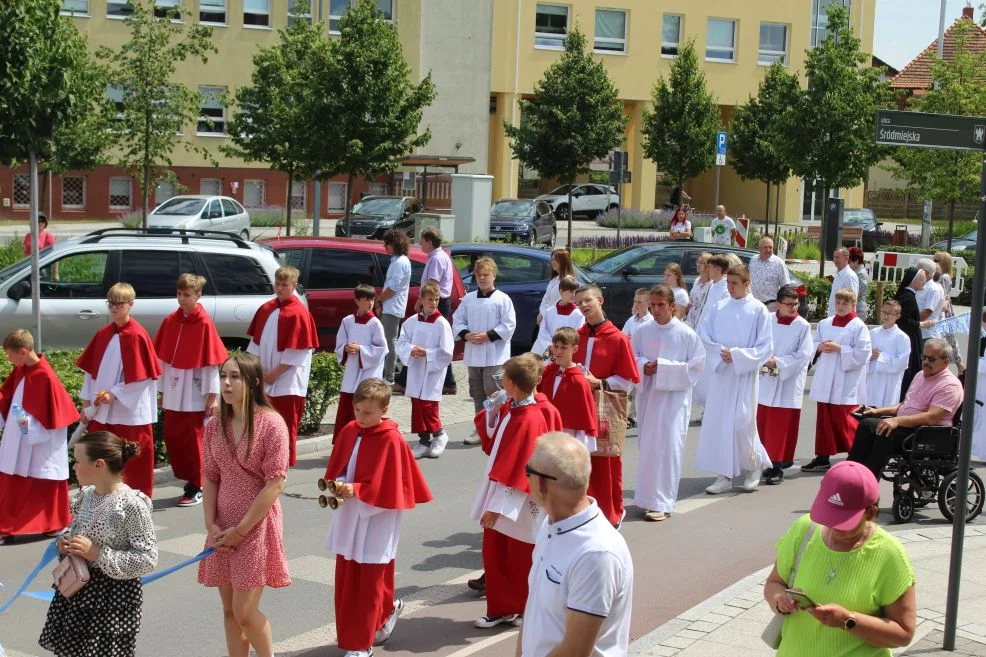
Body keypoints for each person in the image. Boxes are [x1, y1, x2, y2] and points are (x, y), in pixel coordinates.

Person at [323, 378, 433, 657]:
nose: (361, 418)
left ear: (385, 408)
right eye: (358, 410)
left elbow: (388, 485)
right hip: (350, 512)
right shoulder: (351, 429)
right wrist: (337, 482)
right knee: (349, 575)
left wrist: (356, 488)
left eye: (368, 413)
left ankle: (362, 643)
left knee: (369, 578)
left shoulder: (391, 439)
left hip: (378, 515)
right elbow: (340, 464)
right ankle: (384, 613)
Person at [764, 461, 916, 657]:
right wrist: (779, 599)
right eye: (829, 515)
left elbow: (903, 633)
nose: (834, 526)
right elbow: (774, 582)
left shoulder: (889, 554)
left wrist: (848, 620)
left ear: (871, 513)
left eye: (844, 521)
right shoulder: (805, 529)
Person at [198, 352, 290, 657]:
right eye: (223, 375)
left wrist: (241, 529)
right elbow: (210, 477)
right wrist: (211, 525)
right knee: (228, 611)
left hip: (255, 525)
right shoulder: (214, 425)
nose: (226, 383)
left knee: (245, 612)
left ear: (254, 381)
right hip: (223, 524)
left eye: (235, 376)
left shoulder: (272, 424)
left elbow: (274, 483)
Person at [39, 431, 158, 657]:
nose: (73, 467)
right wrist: (65, 544)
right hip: (78, 590)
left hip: (112, 597)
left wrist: (97, 554)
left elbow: (147, 558)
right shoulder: (86, 495)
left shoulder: (132, 504)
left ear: (99, 465)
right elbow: (76, 531)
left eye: (78, 461)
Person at [518, 432, 633, 657]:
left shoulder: (596, 554)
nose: (526, 480)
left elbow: (575, 651)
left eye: (527, 472)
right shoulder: (550, 526)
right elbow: (534, 610)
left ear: (541, 484)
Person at [470, 355, 548, 628]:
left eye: (503, 379)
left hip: (515, 500)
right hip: (505, 494)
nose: (500, 383)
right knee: (500, 554)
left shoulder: (529, 418)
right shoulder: (515, 409)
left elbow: (519, 467)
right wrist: (493, 409)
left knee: (513, 556)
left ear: (512, 384)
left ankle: (513, 607)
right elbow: (493, 437)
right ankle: (508, 607)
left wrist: (497, 507)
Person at [76, 282, 161, 497]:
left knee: (131, 460)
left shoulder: (137, 335)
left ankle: (135, 503)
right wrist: (86, 402)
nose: (114, 308)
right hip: (101, 412)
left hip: (128, 414)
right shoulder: (103, 334)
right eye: (111, 303)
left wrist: (114, 394)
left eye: (119, 303)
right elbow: (90, 373)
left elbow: (142, 378)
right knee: (98, 456)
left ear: (131, 305)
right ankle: (94, 501)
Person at [696, 265, 773, 493]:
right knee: (721, 424)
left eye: (734, 284)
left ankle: (754, 465)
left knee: (742, 423)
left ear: (747, 284)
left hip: (744, 375)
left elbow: (766, 345)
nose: (729, 288)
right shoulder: (720, 306)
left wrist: (738, 356)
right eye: (728, 283)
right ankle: (724, 475)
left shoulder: (758, 310)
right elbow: (704, 334)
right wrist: (721, 352)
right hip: (722, 374)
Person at [631, 286, 705, 520]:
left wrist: (661, 367)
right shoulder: (643, 330)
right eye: (652, 305)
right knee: (648, 448)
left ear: (673, 306)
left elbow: (696, 367)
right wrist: (644, 365)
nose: (656, 309)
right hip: (649, 398)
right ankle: (645, 499)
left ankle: (663, 502)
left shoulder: (686, 333)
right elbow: (631, 358)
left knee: (668, 450)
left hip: (673, 402)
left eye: (661, 305)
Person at [154, 274, 227, 508]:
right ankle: (191, 480)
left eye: (187, 295)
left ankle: (198, 485)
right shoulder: (170, 321)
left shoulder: (204, 323)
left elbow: (210, 363)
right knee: (175, 439)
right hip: (174, 392)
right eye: (179, 294)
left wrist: (212, 397)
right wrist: (162, 391)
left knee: (196, 442)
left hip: (196, 393)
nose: (182, 299)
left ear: (198, 295)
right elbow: (163, 360)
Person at [0, 329, 79, 541]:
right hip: (19, 436)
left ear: (23, 351)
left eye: (10, 355)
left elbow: (54, 416)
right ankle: (8, 525)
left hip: (41, 440)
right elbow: (7, 395)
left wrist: (30, 425)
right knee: (14, 480)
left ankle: (53, 522)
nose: (9, 359)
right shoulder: (22, 369)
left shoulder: (44, 375)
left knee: (42, 480)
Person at [574, 284, 640, 527]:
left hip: (605, 406)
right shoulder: (576, 337)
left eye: (588, 300)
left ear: (600, 300)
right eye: (579, 303)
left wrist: (599, 382)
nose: (583, 306)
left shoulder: (618, 338)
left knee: (606, 462)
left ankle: (611, 513)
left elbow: (627, 381)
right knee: (580, 461)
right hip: (579, 409)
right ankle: (582, 512)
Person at [849, 339, 963, 479]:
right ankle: (850, 474)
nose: (926, 362)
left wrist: (896, 421)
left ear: (945, 362)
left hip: (927, 434)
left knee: (883, 433)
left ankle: (866, 486)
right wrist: (876, 411)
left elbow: (931, 417)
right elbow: (905, 405)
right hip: (909, 428)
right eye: (924, 357)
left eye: (932, 359)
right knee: (867, 425)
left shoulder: (950, 385)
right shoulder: (920, 375)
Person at [246, 264, 319, 467]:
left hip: (288, 382)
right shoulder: (266, 309)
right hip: (265, 378)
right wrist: (258, 371)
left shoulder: (299, 313)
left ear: (294, 286)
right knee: (264, 423)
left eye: (284, 284)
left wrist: (274, 374)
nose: (279, 288)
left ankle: (282, 464)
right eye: (277, 283)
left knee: (286, 424)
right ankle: (264, 461)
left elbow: (298, 353)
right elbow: (255, 345)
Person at [803, 288, 871, 473]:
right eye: (838, 303)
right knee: (824, 420)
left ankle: (856, 454)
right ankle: (823, 456)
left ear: (853, 304)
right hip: (826, 378)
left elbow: (864, 353)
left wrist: (840, 349)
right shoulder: (825, 323)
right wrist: (819, 348)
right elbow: (813, 343)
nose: (841, 307)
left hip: (845, 380)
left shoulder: (858, 326)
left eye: (845, 303)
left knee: (845, 419)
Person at [453, 256, 516, 445]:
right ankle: (480, 429)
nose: (482, 278)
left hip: (494, 354)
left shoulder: (503, 299)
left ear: (493, 276)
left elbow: (509, 324)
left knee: (495, 393)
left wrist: (489, 335)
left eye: (485, 275)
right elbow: (458, 320)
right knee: (478, 394)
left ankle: (499, 427)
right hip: (474, 355)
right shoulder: (469, 299)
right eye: (478, 275)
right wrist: (466, 335)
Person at [757, 285, 814, 485]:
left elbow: (803, 355)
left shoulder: (803, 326)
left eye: (796, 304)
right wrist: (765, 358)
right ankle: (763, 462)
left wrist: (779, 363)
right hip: (765, 379)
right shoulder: (768, 320)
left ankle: (778, 466)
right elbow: (760, 342)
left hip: (788, 382)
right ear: (778, 304)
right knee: (763, 424)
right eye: (789, 304)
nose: (793, 308)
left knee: (781, 427)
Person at [396, 281, 454, 459]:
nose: (434, 303)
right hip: (416, 369)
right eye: (430, 299)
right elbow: (401, 342)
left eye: (436, 299)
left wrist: (427, 353)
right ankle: (423, 441)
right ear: (421, 299)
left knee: (429, 405)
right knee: (417, 405)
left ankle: (439, 434)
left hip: (432, 371)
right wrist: (411, 350)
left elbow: (446, 351)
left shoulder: (442, 323)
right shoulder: (411, 321)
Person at [396, 226, 456, 394]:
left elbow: (432, 285)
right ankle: (449, 383)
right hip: (435, 301)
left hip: (436, 302)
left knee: (424, 341)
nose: (419, 243)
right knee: (433, 342)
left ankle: (405, 381)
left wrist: (421, 302)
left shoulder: (437, 259)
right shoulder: (438, 256)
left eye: (421, 240)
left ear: (429, 242)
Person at [333, 284, 387, 442]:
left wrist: (361, 350)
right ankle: (343, 442)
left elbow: (382, 349)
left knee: (365, 404)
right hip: (352, 370)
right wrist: (346, 348)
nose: (371, 303)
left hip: (367, 372)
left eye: (372, 299)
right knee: (347, 407)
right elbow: (339, 344)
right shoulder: (347, 321)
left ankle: (363, 441)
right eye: (366, 299)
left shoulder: (375, 323)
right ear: (357, 301)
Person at [538, 327, 598, 452]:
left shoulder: (579, 380)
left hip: (568, 438)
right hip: (544, 432)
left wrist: (581, 449)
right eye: (556, 346)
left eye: (563, 347)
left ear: (574, 349)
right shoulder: (547, 373)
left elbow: (584, 417)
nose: (558, 351)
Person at [691, 254, 730, 418]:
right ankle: (708, 406)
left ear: (717, 269)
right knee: (704, 375)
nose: (707, 270)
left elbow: (721, 314)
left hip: (714, 338)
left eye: (710, 267)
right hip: (703, 333)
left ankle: (713, 409)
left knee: (711, 376)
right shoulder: (713, 285)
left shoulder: (725, 288)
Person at [862, 301, 911, 409]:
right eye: (884, 312)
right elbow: (865, 355)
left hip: (890, 381)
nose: (885, 316)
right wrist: (870, 356)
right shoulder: (873, 333)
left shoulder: (902, 337)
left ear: (897, 316)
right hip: (873, 379)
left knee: (885, 410)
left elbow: (902, 363)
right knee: (869, 407)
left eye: (889, 313)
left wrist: (881, 356)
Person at [378, 229, 412, 384]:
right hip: (391, 306)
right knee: (388, 340)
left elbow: (393, 287)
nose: (385, 247)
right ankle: (387, 373)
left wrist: (380, 300)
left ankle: (389, 375)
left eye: (387, 244)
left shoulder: (400, 262)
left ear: (395, 244)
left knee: (389, 341)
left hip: (393, 306)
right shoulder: (397, 261)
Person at [531, 275, 585, 357]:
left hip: (566, 352)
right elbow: (543, 332)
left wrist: (561, 348)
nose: (574, 295)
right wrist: (552, 346)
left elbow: (577, 335)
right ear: (561, 291)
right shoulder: (550, 312)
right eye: (571, 291)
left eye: (575, 292)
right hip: (548, 350)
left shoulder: (578, 314)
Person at [894, 267, 926, 400]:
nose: (924, 282)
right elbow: (904, 320)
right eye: (922, 280)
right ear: (915, 280)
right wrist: (920, 324)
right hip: (909, 339)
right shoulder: (908, 297)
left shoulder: (909, 296)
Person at [934, 251, 964, 375]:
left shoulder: (944, 277)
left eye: (937, 260)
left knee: (948, 339)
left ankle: (959, 365)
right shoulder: (943, 276)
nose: (935, 262)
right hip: (944, 309)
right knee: (948, 339)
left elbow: (943, 294)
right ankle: (959, 365)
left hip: (945, 312)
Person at [538, 248, 577, 323]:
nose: (553, 262)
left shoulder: (568, 281)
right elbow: (546, 298)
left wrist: (545, 315)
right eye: (552, 260)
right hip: (547, 317)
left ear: (563, 261)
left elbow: (560, 302)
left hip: (557, 318)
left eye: (555, 260)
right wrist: (541, 313)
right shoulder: (555, 279)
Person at [749, 236, 789, 305]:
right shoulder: (753, 259)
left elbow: (785, 286)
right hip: (753, 303)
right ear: (759, 249)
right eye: (765, 247)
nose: (768, 249)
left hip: (770, 305)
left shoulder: (779, 263)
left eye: (770, 247)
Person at [915, 257, 944, 342]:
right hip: (920, 332)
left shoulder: (933, 289)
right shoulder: (921, 286)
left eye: (918, 270)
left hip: (928, 335)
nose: (915, 272)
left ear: (926, 273)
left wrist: (911, 322)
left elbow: (927, 312)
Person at [827, 248, 859, 318]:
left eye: (837, 257)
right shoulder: (839, 274)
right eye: (834, 257)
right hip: (834, 318)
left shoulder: (849, 276)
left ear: (846, 258)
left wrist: (850, 320)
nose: (835, 260)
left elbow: (852, 299)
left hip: (844, 319)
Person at [685, 252, 712, 329]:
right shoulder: (697, 280)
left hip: (701, 320)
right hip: (691, 317)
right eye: (697, 262)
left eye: (701, 262)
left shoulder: (711, 284)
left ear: (708, 266)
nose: (698, 264)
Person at [849, 247, 869, 321]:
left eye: (849, 261)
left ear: (857, 261)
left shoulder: (860, 274)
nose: (848, 264)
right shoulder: (856, 272)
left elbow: (859, 293)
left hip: (858, 309)